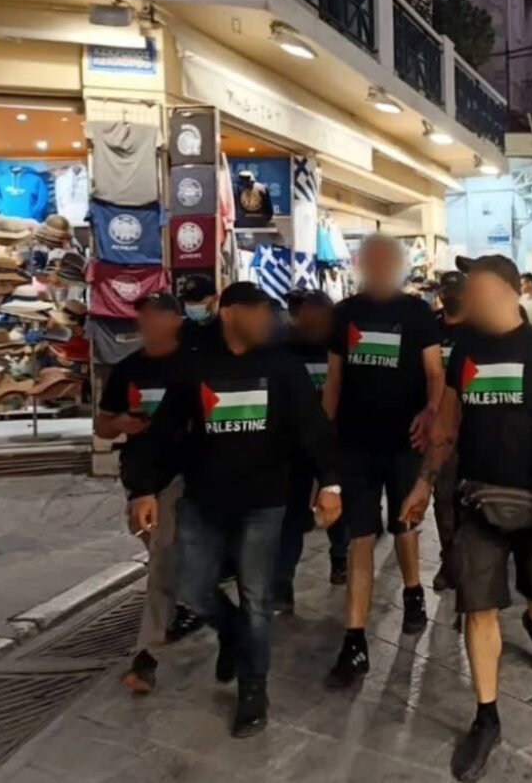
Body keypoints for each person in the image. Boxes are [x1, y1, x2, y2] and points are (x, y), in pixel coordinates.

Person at [125, 282, 342, 737]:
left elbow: (315, 429)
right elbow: (162, 432)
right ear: (229, 313)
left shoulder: (283, 367)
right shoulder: (196, 365)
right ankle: (231, 632)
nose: (266, 320)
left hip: (264, 503)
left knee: (258, 598)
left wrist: (331, 483)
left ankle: (253, 688)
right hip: (204, 500)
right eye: (256, 311)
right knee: (193, 587)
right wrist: (142, 489)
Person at [398, 255, 532, 782]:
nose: (466, 296)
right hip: (477, 498)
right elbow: (447, 425)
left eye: (476, 286)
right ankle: (486, 715)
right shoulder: (466, 353)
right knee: (477, 606)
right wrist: (424, 482)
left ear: (506, 291)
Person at [323, 234, 443, 687]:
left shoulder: (416, 314)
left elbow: (435, 374)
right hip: (356, 443)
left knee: (404, 524)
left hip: (404, 441)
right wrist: (325, 443)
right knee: (360, 536)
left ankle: (413, 591)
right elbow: (334, 381)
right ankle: (354, 640)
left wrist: (430, 412)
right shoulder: (345, 314)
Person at [98, 292, 191, 694]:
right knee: (162, 554)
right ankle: (183, 605)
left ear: (176, 320)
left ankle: (147, 654)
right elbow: (103, 426)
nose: (149, 325)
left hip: (185, 476)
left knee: (162, 561)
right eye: (144, 318)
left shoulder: (194, 365)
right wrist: (121, 422)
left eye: (157, 317)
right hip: (141, 478)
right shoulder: (127, 370)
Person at [277, 290, 349, 604]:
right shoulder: (284, 350)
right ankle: (283, 583)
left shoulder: (339, 348)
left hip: (332, 442)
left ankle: (340, 556)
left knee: (336, 506)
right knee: (291, 516)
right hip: (295, 445)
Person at [431, 270, 469, 591]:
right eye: (447, 292)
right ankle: (450, 562)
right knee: (443, 498)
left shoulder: (479, 331)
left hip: (473, 428)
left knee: (468, 500)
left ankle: (468, 562)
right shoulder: (430, 330)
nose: (450, 297)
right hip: (439, 429)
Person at [179, 274, 223, 354]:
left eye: (197, 300)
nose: (192, 304)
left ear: (215, 298)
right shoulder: (181, 330)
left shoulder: (226, 329)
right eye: (188, 300)